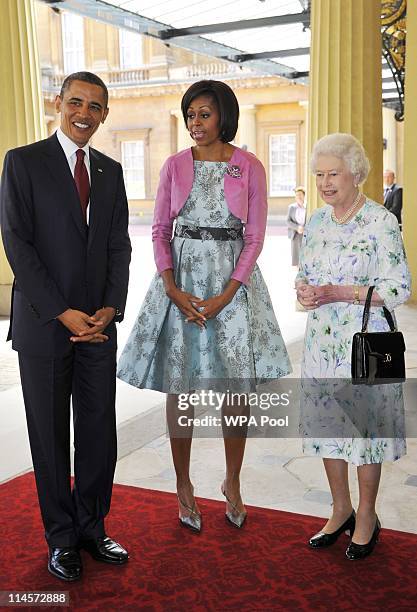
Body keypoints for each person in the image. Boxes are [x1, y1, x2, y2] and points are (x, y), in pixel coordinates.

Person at [117, 79, 291, 532]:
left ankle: (232, 482)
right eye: (191, 114)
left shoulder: (248, 165)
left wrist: (229, 292)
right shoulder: (174, 166)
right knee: (183, 387)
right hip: (182, 284)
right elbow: (159, 230)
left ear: (224, 116)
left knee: (236, 391)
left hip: (233, 286)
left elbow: (254, 237)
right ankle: (183, 484)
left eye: (205, 114)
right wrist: (172, 289)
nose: (196, 123)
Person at [0, 72, 132, 581]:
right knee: (50, 437)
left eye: (95, 106)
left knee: (99, 433)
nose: (84, 112)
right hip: (44, 325)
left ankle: (92, 528)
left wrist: (111, 307)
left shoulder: (112, 171)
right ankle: (61, 539)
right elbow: (17, 243)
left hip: (98, 325)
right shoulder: (23, 162)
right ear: (58, 103)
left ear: (104, 114)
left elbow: (118, 245)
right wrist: (62, 310)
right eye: (76, 101)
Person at [296, 133, 411, 560]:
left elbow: (399, 286)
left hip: (367, 342)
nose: (325, 183)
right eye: (320, 175)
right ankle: (340, 508)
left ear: (355, 174)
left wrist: (338, 291)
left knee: (366, 435)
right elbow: (305, 274)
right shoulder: (317, 221)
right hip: (322, 344)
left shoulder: (380, 221)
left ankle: (366, 514)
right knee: (328, 427)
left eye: (333, 174)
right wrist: (306, 292)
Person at [286, 186, 306, 266]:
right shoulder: (291, 207)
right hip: (296, 234)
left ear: (304, 195)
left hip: (306, 234)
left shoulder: (308, 206)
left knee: (305, 255)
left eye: (300, 195)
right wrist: (297, 227)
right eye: (297, 195)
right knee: (296, 258)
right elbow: (288, 221)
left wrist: (305, 228)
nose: (299, 197)